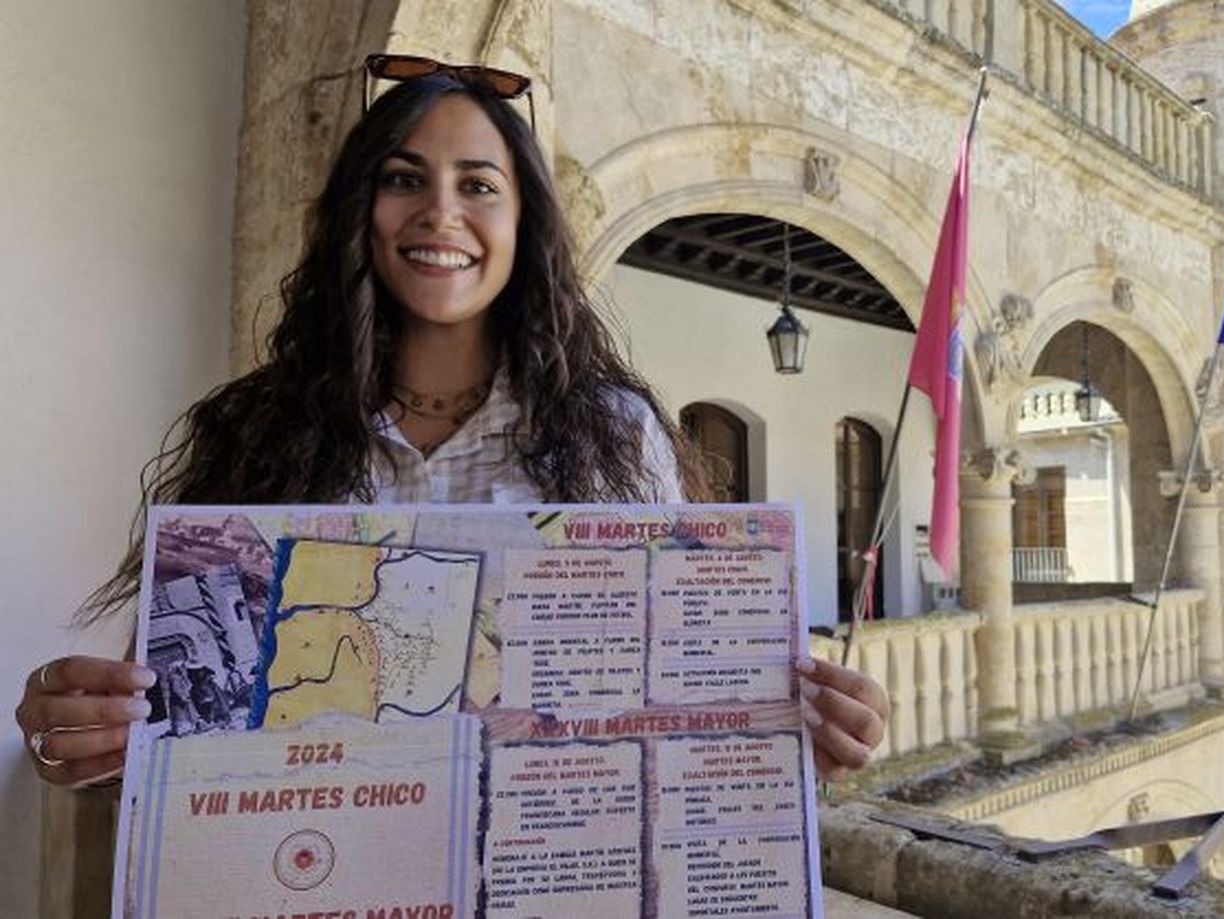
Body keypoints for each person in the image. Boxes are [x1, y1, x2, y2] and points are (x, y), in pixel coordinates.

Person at [14, 56, 887, 788]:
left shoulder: (617, 436)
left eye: (478, 184)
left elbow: (680, 700)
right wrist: (82, 737)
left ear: (524, 222)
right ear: (358, 211)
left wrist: (791, 733)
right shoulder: (254, 430)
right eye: (404, 179)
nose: (440, 212)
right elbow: (166, 727)